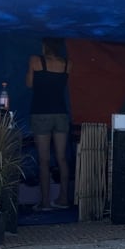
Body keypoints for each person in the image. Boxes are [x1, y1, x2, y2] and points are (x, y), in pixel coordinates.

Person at [25, 37, 72, 212]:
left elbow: (29, 84)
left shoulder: (35, 60)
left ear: (45, 46)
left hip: (41, 113)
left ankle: (45, 202)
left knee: (44, 159)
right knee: (61, 158)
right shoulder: (68, 64)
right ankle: (63, 199)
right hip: (61, 114)